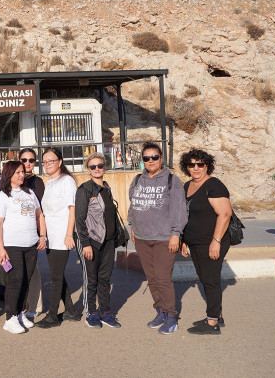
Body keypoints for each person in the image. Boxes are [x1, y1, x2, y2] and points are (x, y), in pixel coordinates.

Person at [128, 142, 187, 335]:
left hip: (164, 238)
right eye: (147, 158)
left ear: (161, 159)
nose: (151, 161)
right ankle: (160, 311)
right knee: (152, 279)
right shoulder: (137, 180)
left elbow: (179, 209)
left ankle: (171, 316)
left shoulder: (172, 180)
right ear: (142, 161)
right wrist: (132, 227)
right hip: (142, 237)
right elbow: (133, 205)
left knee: (163, 279)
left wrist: (175, 234)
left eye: (154, 157)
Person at [180, 149, 232, 335]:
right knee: (204, 278)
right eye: (191, 164)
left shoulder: (214, 185)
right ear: (186, 167)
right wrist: (184, 240)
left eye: (200, 164)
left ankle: (212, 324)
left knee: (210, 280)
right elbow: (187, 215)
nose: (196, 168)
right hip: (195, 242)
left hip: (211, 241)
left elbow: (225, 214)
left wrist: (216, 241)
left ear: (207, 165)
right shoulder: (187, 186)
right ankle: (216, 315)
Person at [0, 160, 47, 335]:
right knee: (15, 282)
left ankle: (20, 313)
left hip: (30, 244)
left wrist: (43, 236)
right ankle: (10, 318)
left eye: (22, 172)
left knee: (26, 280)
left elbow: (40, 216)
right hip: (12, 245)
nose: (22, 175)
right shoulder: (2, 196)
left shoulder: (30, 193)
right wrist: (0, 248)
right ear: (9, 174)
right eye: (17, 172)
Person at [75, 153, 122, 329]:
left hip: (109, 241)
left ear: (104, 167)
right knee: (92, 278)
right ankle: (91, 313)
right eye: (93, 166)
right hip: (92, 241)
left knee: (105, 277)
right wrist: (85, 243)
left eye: (100, 166)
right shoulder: (84, 190)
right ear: (88, 169)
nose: (97, 169)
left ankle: (105, 312)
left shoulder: (106, 188)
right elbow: (79, 220)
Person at [36, 148, 80, 329]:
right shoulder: (51, 182)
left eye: (51, 161)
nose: (47, 165)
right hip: (51, 237)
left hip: (62, 236)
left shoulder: (67, 181)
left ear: (60, 162)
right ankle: (70, 310)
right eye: (44, 162)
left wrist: (69, 234)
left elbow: (73, 208)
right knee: (57, 274)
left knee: (55, 277)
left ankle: (53, 315)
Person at [19, 148, 44, 319]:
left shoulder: (37, 182)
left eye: (31, 160)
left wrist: (41, 235)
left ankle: (35, 305)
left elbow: (39, 212)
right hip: (15, 232)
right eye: (24, 160)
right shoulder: (14, 179)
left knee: (32, 270)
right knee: (19, 271)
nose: (27, 163)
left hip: (31, 232)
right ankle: (22, 304)